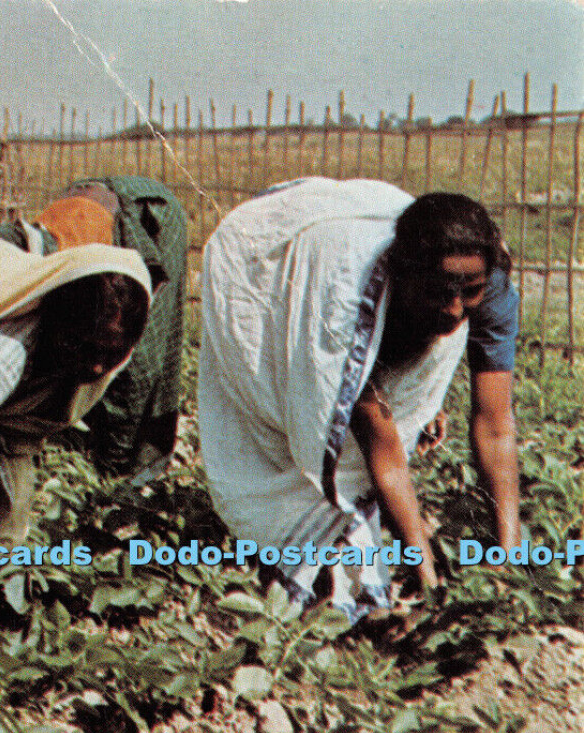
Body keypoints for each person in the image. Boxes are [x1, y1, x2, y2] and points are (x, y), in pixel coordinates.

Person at [198, 178, 520, 617]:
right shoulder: (347, 302)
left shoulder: (492, 290)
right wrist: (429, 586)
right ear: (405, 273)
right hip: (279, 280)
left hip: (384, 312)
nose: (454, 309)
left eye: (470, 292)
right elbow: (383, 449)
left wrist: (511, 556)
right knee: (317, 443)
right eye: (440, 292)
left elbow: (495, 424)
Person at [0, 223, 151, 546]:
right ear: (56, 319)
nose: (98, 365)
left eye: (111, 352)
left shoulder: (111, 347)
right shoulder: (4, 356)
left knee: (0, 547)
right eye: (82, 346)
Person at [0, 175, 188, 481]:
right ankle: (89, 439)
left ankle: (133, 464)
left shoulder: (114, 251)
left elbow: (138, 370)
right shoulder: (30, 260)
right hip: (91, 209)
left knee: (143, 349)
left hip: (150, 215)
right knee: (81, 347)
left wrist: (110, 470)